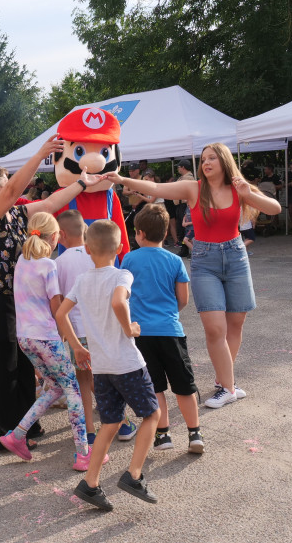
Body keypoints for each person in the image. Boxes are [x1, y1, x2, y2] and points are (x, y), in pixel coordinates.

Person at [104, 142, 281, 409]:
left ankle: (224, 381)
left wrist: (248, 194)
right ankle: (229, 388)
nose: (206, 162)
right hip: (204, 260)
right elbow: (155, 189)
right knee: (215, 329)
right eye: (204, 159)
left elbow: (274, 209)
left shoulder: (238, 187)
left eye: (212, 158)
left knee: (235, 325)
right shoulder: (194, 188)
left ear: (223, 161)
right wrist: (122, 179)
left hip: (235, 257)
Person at [0, 135, 101, 451]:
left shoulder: (15, 214)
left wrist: (83, 181)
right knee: (2, 371)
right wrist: (40, 153)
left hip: (7, 301)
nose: (13, 183)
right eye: (7, 180)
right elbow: (13, 190)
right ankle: (5, 435)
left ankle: (28, 427)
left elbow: (52, 204)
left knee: (22, 365)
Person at [56, 220, 160, 511]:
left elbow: (62, 313)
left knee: (110, 423)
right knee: (152, 414)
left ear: (87, 249)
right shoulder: (122, 274)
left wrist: (77, 346)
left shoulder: (82, 280)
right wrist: (129, 329)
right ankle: (134, 475)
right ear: (120, 248)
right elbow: (118, 302)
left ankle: (90, 483)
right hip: (126, 363)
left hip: (101, 367)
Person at [0, 212, 95, 471]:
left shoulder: (22, 261)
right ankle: (84, 452)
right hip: (46, 337)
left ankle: (17, 435)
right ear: (55, 237)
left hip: (25, 337)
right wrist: (73, 340)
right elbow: (57, 308)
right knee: (73, 389)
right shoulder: (48, 265)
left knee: (54, 387)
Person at [121, 205, 204, 454]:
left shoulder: (129, 259)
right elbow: (183, 299)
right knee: (184, 385)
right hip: (170, 330)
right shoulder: (174, 259)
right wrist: (168, 313)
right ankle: (195, 433)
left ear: (139, 233)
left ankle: (163, 434)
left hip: (141, 333)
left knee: (155, 387)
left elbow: (123, 295)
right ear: (166, 230)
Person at [55, 210, 97, 445]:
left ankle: (89, 430)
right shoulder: (97, 255)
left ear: (61, 234)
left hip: (77, 334)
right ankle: (120, 423)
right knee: (103, 379)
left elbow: (59, 303)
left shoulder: (58, 263)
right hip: (100, 329)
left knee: (83, 380)